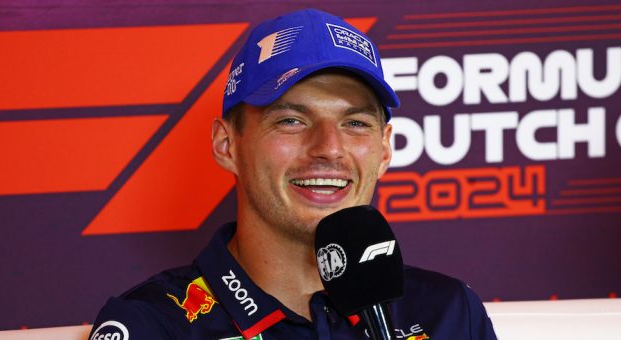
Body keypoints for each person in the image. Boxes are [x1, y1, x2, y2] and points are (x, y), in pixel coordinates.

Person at [89, 8, 497, 340]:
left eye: (355, 123)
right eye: (291, 121)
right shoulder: (154, 326)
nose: (329, 148)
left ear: (385, 148)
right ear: (226, 144)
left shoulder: (448, 313)